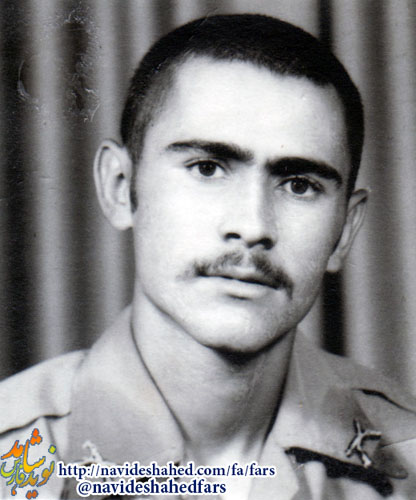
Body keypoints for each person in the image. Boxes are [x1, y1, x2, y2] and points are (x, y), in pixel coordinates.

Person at [0, 13, 415, 500]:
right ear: (119, 187)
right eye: (207, 168)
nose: (253, 226)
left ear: (344, 230)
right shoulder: (13, 461)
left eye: (299, 185)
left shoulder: (406, 456)